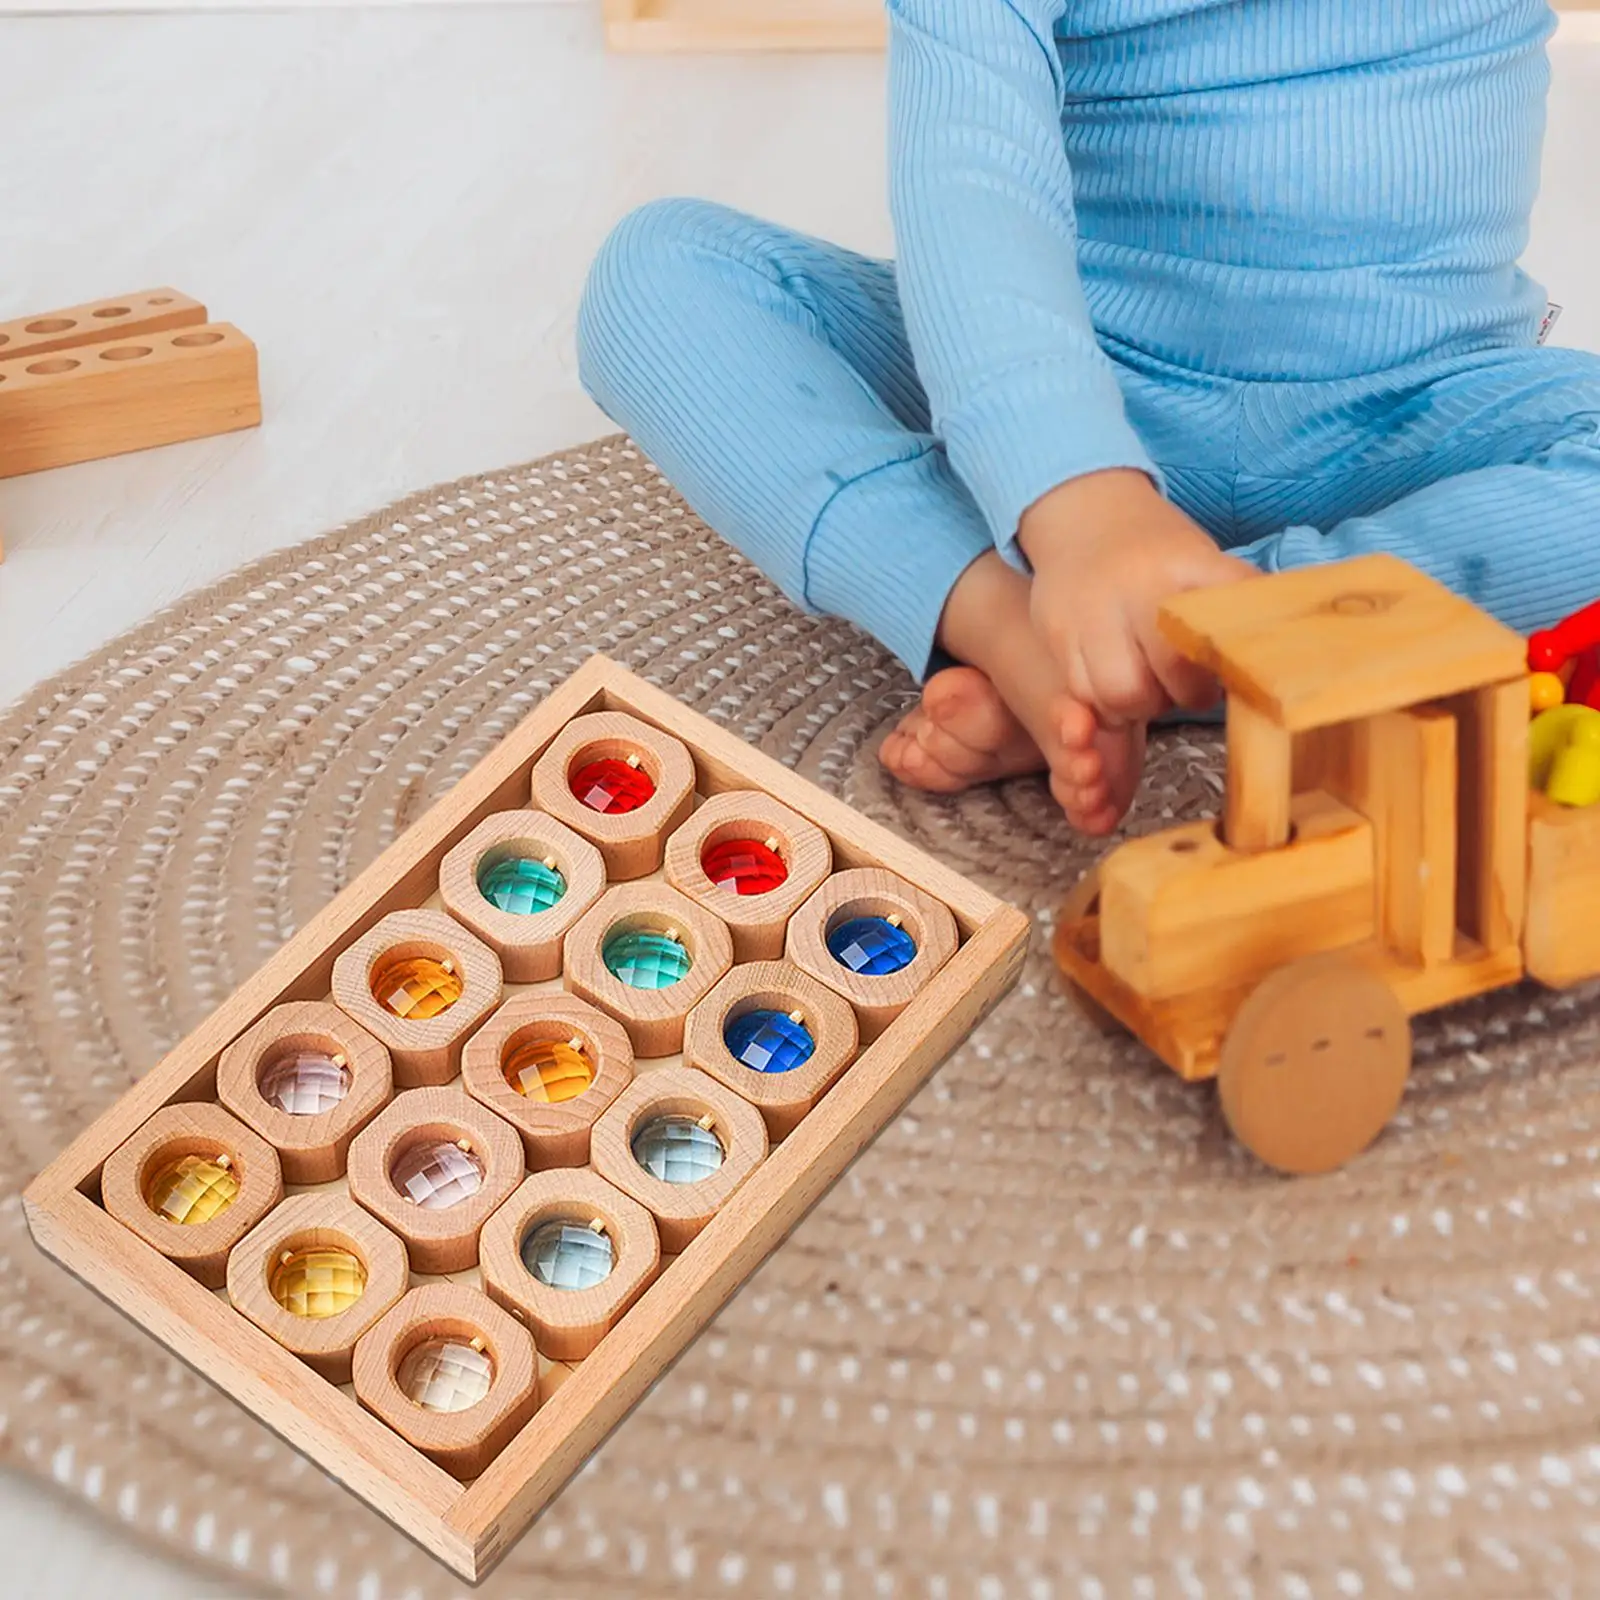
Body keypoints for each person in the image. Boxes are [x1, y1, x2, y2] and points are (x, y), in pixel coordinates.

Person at [577, 0, 1600, 835]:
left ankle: (1178, 656)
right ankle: (1002, 620)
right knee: (656, 277)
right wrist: (1077, 500)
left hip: (1422, 409)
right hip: (1078, 387)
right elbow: (973, 188)